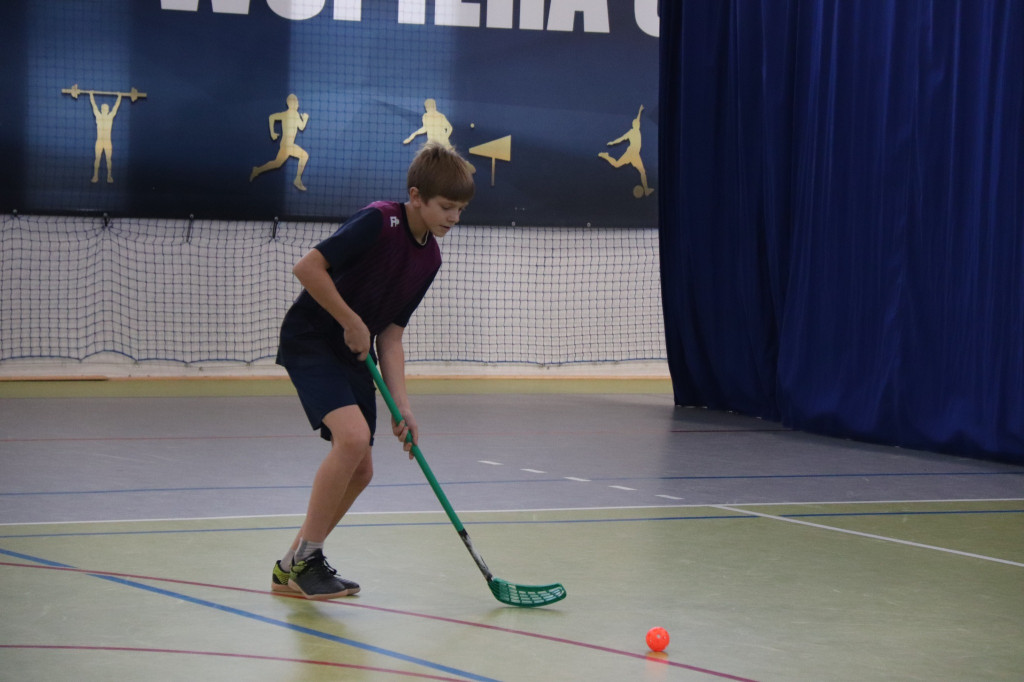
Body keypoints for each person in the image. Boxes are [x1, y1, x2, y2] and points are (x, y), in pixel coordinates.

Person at [271, 141, 475, 600]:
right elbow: (308, 268)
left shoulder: (431, 259)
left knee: (361, 470)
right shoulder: (381, 220)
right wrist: (350, 320)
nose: (454, 218)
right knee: (353, 437)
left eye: (461, 210)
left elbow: (392, 335)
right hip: (312, 339)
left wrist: (403, 407)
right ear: (417, 195)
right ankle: (307, 560)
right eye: (446, 207)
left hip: (355, 351)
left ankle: (291, 565)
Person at [250, 94, 311, 191]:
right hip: (288, 145)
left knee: (277, 163)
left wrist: (272, 132)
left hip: (284, 145)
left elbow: (271, 117)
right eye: (297, 102)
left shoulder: (285, 114)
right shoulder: (294, 115)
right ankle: (297, 179)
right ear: (293, 104)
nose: (298, 105)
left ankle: (257, 170)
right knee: (304, 156)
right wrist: (306, 118)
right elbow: (302, 127)